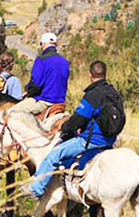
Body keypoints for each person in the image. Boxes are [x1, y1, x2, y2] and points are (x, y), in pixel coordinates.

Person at [26, 60, 124, 197]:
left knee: (54, 155)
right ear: (105, 74)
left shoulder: (93, 95)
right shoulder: (114, 93)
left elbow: (78, 119)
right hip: (109, 140)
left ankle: (36, 188)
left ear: (90, 75)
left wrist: (64, 128)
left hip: (90, 141)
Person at [9, 33, 69, 124]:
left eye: (41, 44)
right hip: (61, 102)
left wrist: (28, 90)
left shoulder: (41, 60)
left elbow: (35, 84)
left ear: (43, 44)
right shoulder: (65, 61)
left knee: (11, 112)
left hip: (45, 101)